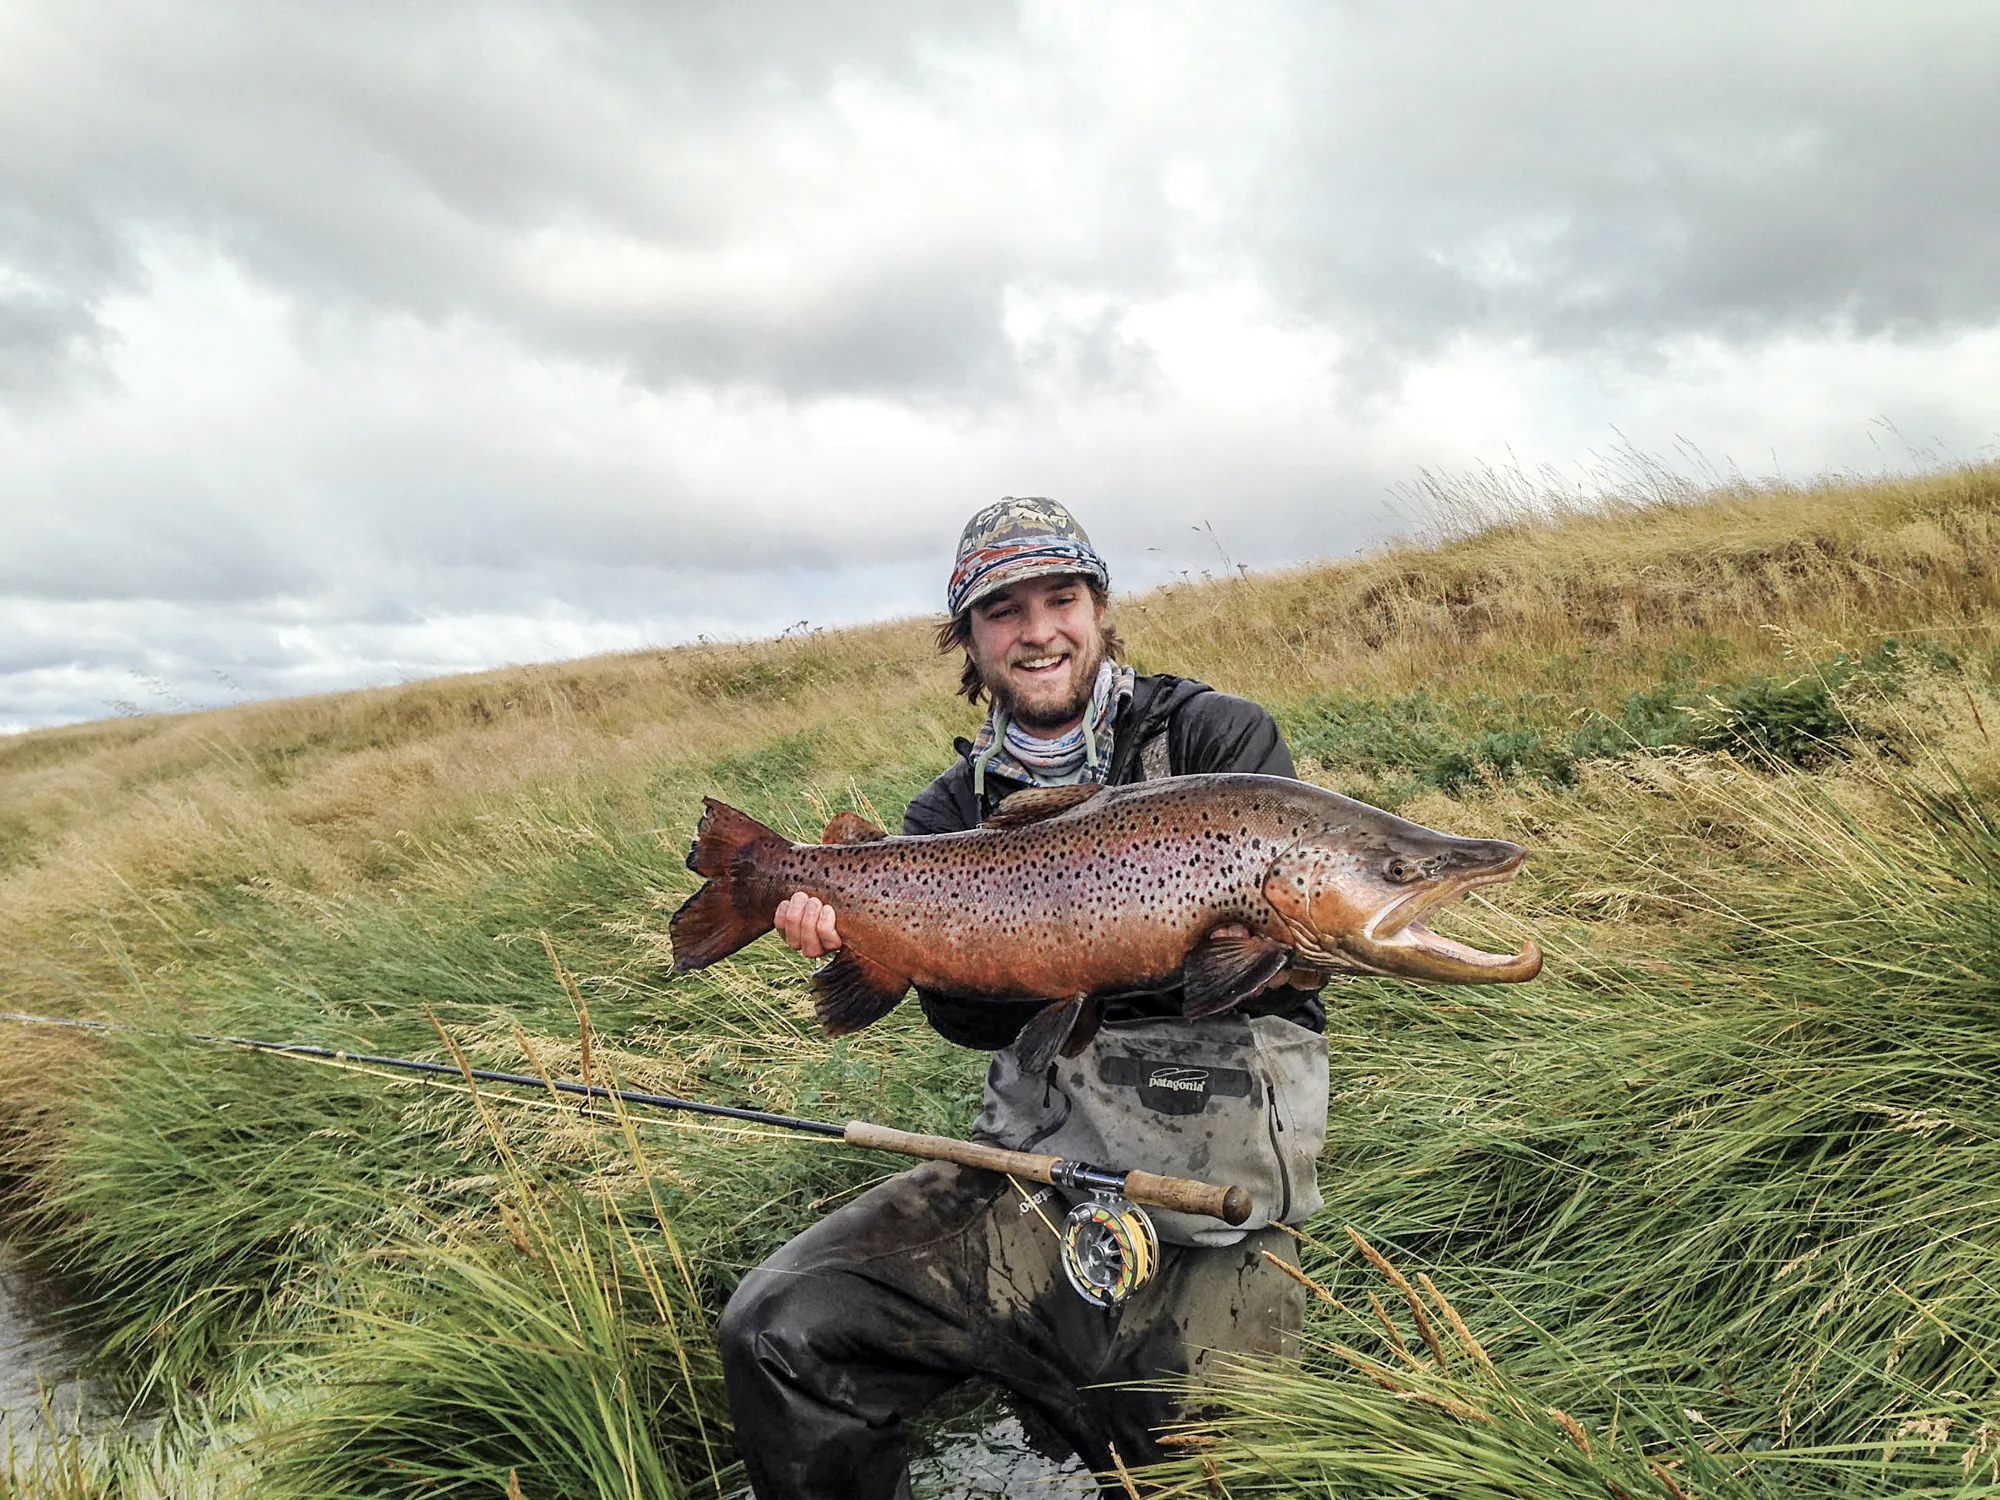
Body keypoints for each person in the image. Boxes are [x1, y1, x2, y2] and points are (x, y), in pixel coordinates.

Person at [718, 497, 1328, 1499]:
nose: (1037, 630)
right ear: (967, 638)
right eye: (1003, 610)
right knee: (776, 1326)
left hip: (1214, 1202)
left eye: (1060, 598)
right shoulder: (945, 813)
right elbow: (963, 1026)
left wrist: (1110, 940)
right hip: (1030, 1179)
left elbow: (1287, 973)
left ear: (1098, 608)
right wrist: (869, 936)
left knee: (1212, 1473)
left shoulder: (1215, 738)